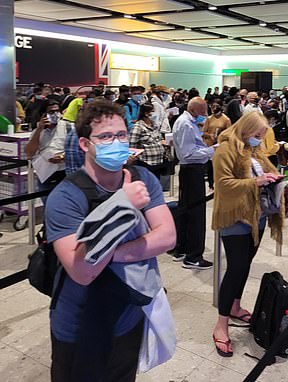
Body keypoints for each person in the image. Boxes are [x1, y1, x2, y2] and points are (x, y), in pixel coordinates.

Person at [45, 99, 176, 381]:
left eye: (120, 135)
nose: (115, 142)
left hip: (129, 314)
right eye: (104, 137)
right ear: (84, 144)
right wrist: (123, 205)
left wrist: (109, 254)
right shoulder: (66, 197)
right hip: (79, 325)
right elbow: (82, 272)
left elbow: (167, 237)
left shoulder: (142, 178)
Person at [211, 111, 285, 357]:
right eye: (256, 135)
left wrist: (272, 178)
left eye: (261, 136)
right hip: (234, 218)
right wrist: (256, 183)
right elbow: (223, 184)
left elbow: (264, 168)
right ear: (245, 129)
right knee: (235, 268)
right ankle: (221, 324)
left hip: (257, 216)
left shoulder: (252, 150)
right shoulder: (225, 150)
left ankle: (235, 306)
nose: (258, 140)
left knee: (244, 266)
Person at [172, 97, 215, 269]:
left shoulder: (187, 122)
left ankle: (183, 248)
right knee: (196, 213)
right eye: (204, 112)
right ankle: (193, 256)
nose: (205, 116)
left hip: (191, 170)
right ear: (195, 110)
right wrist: (213, 150)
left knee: (187, 211)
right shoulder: (186, 124)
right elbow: (188, 153)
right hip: (191, 170)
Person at [25, 100, 66, 202]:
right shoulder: (38, 131)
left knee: (65, 206)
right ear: (44, 114)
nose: (55, 114)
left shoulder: (69, 127)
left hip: (65, 173)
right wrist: (39, 129)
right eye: (51, 112)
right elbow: (29, 153)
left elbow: (78, 150)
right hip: (46, 174)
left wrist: (63, 157)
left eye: (57, 111)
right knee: (48, 205)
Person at [129, 103, 167, 179]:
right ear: (146, 113)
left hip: (158, 163)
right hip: (145, 163)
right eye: (153, 111)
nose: (155, 114)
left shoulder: (154, 125)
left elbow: (159, 138)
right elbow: (132, 146)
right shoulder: (138, 127)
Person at [203, 100, 231, 190]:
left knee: (220, 166)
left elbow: (229, 133)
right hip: (210, 145)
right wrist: (209, 135)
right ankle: (211, 184)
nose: (214, 108)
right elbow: (203, 132)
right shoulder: (209, 119)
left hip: (221, 145)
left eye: (216, 106)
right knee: (210, 166)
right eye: (212, 106)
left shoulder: (226, 119)